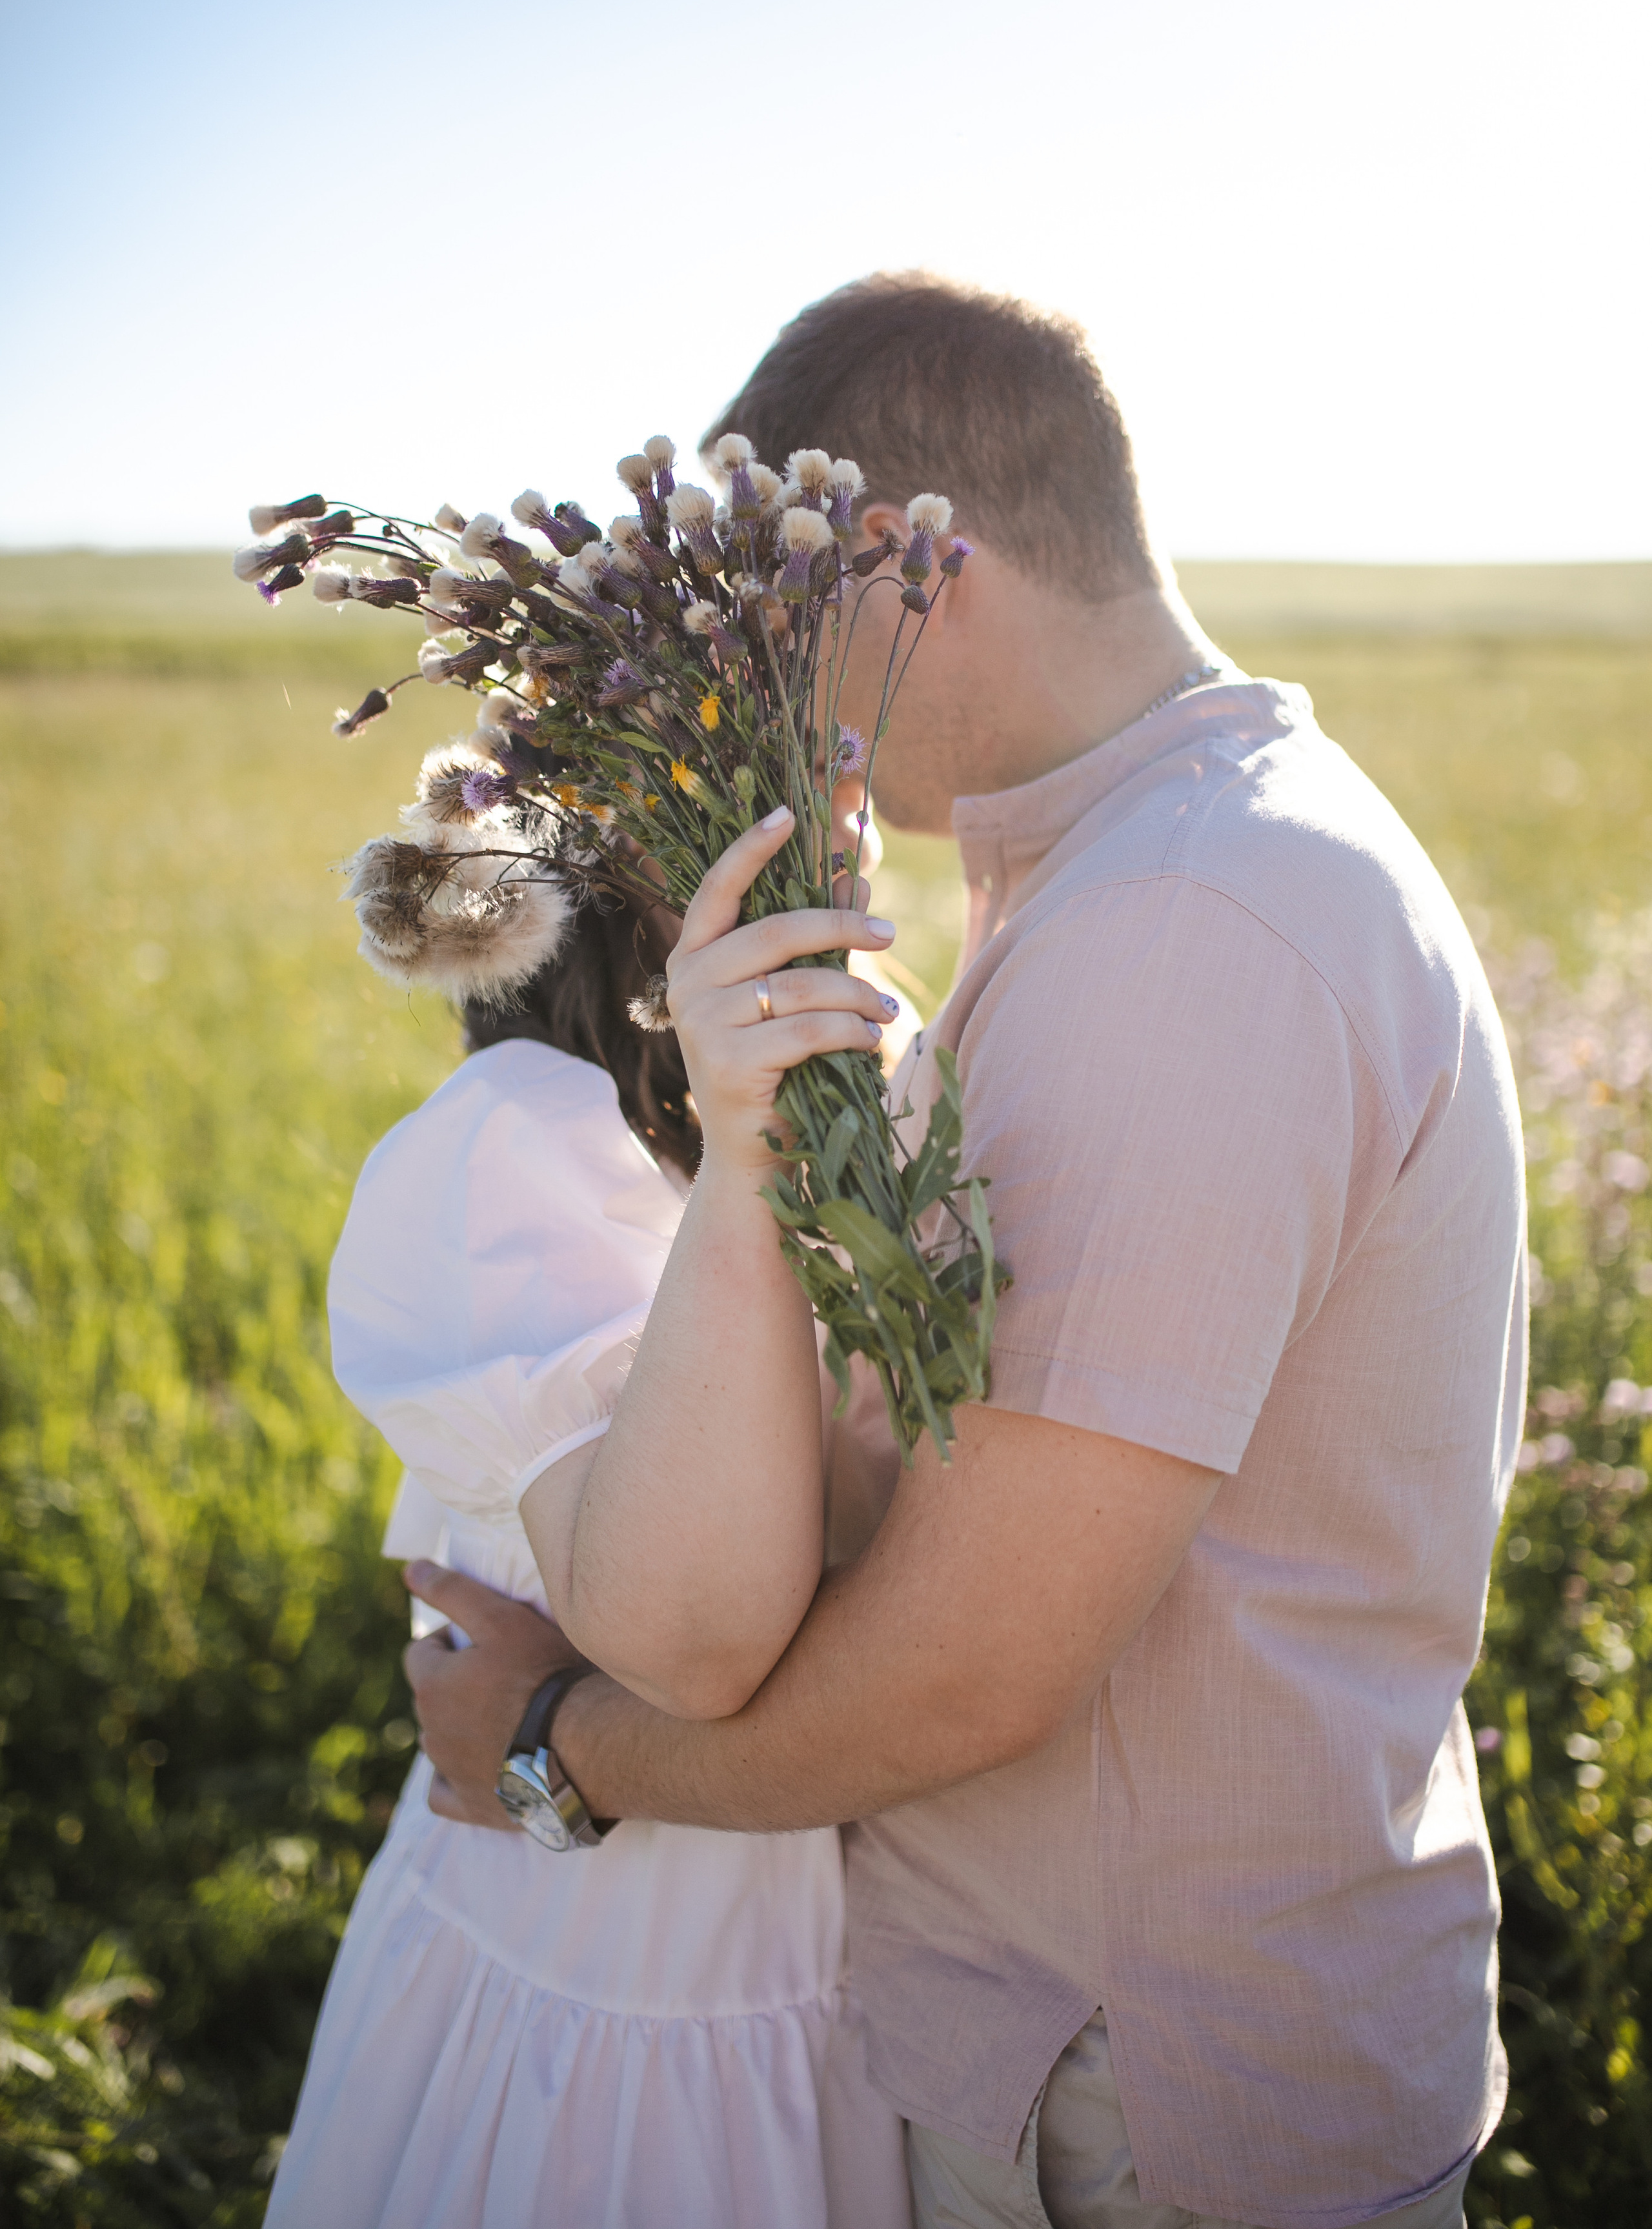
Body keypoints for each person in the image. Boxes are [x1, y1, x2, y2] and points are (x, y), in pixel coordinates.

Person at [407, 274, 1526, 2229]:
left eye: (781, 626)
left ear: (925, 566)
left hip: (1143, 2104)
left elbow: (978, 1666)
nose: (767, 696)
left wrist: (558, 1751)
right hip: (1104, 2065)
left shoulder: (1195, 919)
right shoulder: (1152, 869)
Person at [265, 880, 913, 2229]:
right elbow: (687, 1635)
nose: (850, 864)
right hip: (615, 1982)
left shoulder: (825, 1134)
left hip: (824, 1971)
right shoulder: (523, 1152)